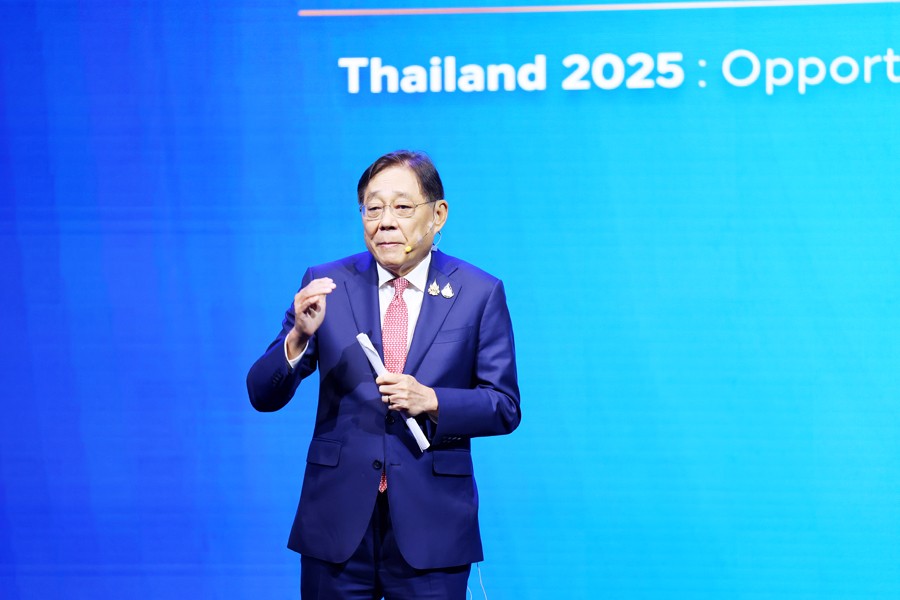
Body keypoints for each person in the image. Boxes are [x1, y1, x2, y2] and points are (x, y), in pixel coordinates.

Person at [246, 150, 521, 599]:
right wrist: (298, 337)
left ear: (438, 215)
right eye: (373, 209)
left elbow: (504, 406)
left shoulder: (478, 292)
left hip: (433, 524)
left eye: (402, 207)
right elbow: (262, 394)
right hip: (335, 523)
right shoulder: (327, 283)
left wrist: (431, 400)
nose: (385, 222)